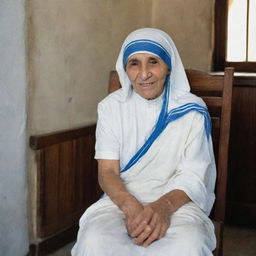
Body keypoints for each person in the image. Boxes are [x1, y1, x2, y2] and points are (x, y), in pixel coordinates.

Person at [71, 28, 216, 256]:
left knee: (188, 245)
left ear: (168, 67)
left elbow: (194, 175)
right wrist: (130, 206)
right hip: (122, 197)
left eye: (153, 62)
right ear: (126, 69)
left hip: (177, 201)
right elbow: (107, 171)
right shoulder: (111, 107)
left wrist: (163, 208)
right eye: (134, 63)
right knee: (94, 241)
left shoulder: (192, 109)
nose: (144, 73)